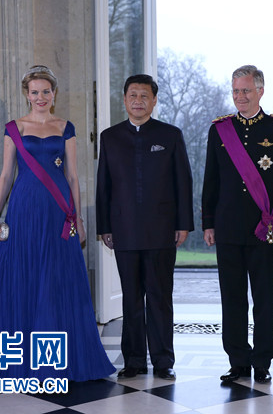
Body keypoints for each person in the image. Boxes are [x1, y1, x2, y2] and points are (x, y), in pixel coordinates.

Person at [0, 65, 115, 382]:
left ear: (54, 94)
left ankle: (62, 358)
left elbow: (73, 177)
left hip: (58, 212)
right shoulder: (14, 128)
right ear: (26, 94)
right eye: (35, 92)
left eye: (46, 91)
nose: (40, 97)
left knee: (57, 279)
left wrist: (78, 218)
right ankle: (19, 356)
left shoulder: (66, 127)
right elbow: (6, 175)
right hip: (23, 211)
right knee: (22, 277)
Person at [202, 65, 273, 384]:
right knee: (232, 299)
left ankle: (262, 361)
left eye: (245, 90)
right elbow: (211, 181)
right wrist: (208, 223)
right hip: (228, 227)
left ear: (260, 91)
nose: (239, 96)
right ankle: (238, 361)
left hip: (266, 229)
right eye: (235, 91)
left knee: (264, 298)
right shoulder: (220, 130)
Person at [96, 74, 194, 380]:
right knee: (131, 297)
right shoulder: (110, 137)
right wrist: (104, 226)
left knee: (160, 297)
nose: (138, 101)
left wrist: (183, 224)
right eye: (133, 95)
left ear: (154, 101)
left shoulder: (170, 135)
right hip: (123, 229)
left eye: (144, 96)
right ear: (124, 99)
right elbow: (103, 185)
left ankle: (163, 360)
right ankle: (134, 361)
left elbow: (183, 182)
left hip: (162, 229)